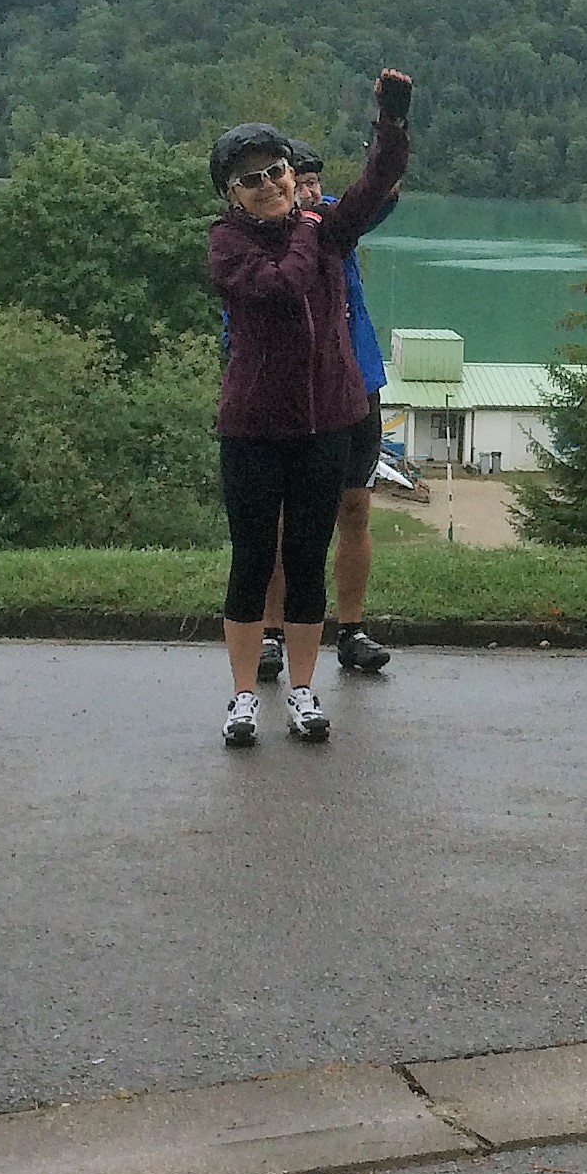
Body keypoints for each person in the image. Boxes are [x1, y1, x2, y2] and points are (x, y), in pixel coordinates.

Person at [207, 76, 412, 746]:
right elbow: (280, 285)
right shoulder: (229, 244)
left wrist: (391, 122)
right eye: (252, 180)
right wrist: (307, 222)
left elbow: (376, 184)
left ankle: (301, 688)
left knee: (305, 558)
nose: (270, 185)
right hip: (254, 429)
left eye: (277, 171)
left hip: (326, 425)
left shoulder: (325, 228)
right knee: (251, 557)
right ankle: (242, 696)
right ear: (230, 196)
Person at [255, 137, 397, 679]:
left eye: (317, 182)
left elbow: (380, 192)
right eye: (301, 181)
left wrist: (387, 137)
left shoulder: (335, 225)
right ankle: (271, 633)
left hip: (356, 383)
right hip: (292, 394)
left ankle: (352, 629)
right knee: (284, 519)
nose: (312, 192)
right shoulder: (264, 240)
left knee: (354, 508)